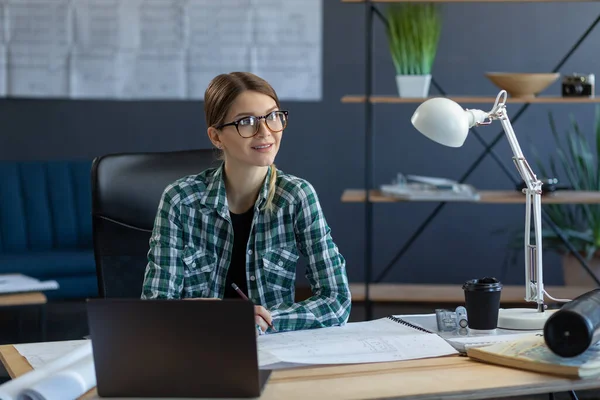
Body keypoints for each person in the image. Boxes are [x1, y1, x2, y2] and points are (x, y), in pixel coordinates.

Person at [141, 72, 351, 333]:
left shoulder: (296, 196)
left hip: (274, 350)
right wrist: (224, 316)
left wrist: (265, 321)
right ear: (216, 136)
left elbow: (337, 301)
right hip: (197, 344)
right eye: (247, 122)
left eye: (273, 116)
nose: (266, 132)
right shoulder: (180, 201)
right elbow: (156, 308)